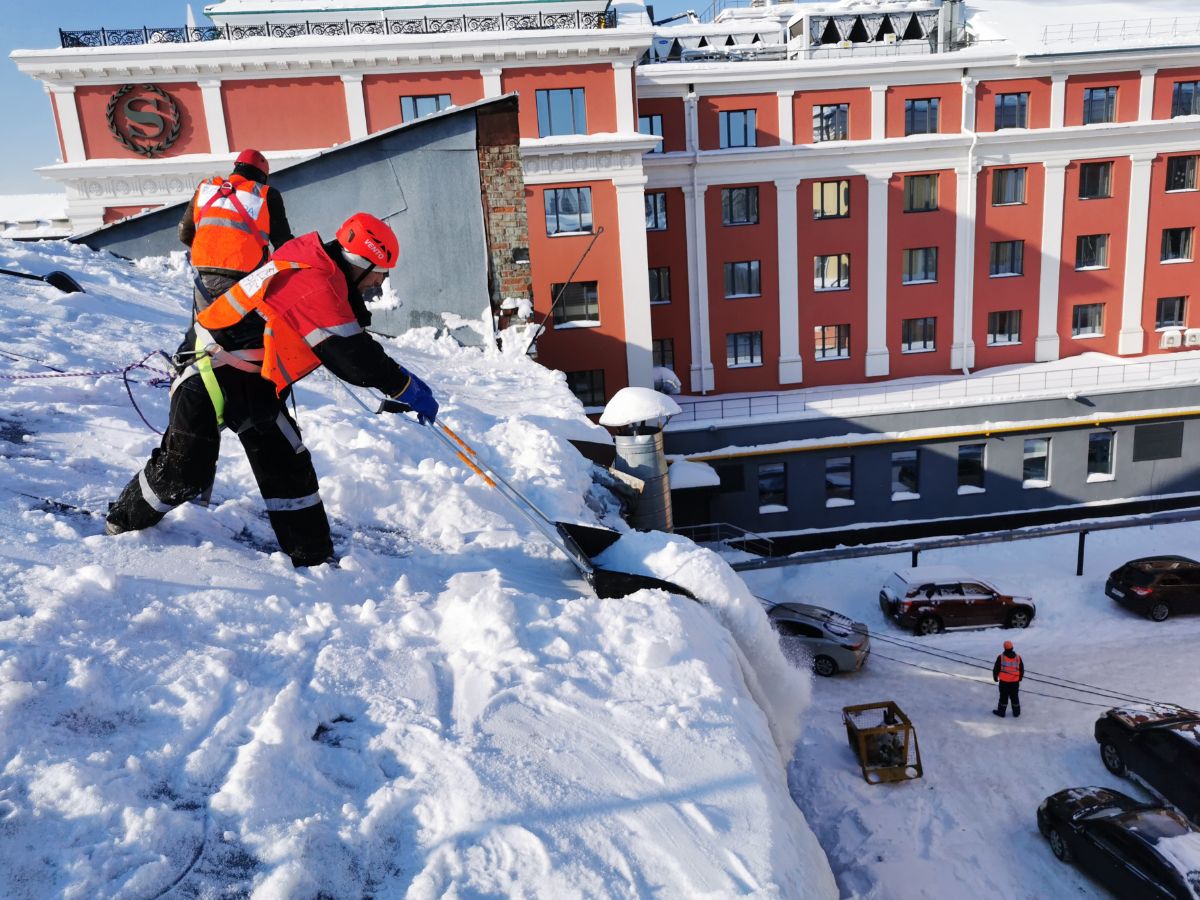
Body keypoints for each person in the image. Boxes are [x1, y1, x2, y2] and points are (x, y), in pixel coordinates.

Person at [106, 213, 439, 567]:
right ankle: (121, 523)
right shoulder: (315, 282)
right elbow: (352, 357)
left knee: (287, 464)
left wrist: (401, 383)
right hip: (210, 370)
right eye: (379, 272)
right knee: (185, 471)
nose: (379, 283)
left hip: (253, 380)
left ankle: (312, 558)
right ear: (361, 261)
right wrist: (405, 386)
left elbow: (349, 341)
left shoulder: (321, 272)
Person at [178, 148, 294, 312]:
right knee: (248, 335)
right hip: (244, 282)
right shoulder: (266, 194)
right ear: (262, 176)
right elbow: (284, 245)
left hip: (203, 281)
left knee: (205, 333)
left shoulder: (205, 188)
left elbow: (184, 233)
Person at [992, 640, 1024, 718]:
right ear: (1012, 647)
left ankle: (1001, 712)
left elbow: (996, 668)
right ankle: (1016, 713)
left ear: (1004, 648)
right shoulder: (1018, 657)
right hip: (1015, 682)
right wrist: (1020, 678)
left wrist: (995, 676)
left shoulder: (1001, 657)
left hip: (1004, 682)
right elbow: (1021, 669)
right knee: (1014, 697)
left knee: (1003, 697)